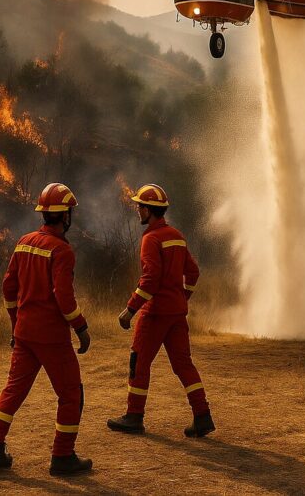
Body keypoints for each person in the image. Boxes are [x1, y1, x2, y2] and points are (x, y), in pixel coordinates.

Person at [0, 182, 93, 476]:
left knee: (13, 390)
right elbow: (63, 297)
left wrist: (15, 322)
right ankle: (62, 456)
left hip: (25, 332)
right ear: (65, 216)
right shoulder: (62, 250)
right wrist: (80, 326)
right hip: (52, 336)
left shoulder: (24, 241)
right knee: (71, 394)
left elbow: (8, 287)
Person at [107, 183, 214, 438]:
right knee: (183, 365)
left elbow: (150, 279)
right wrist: (182, 296)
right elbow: (194, 272)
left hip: (155, 314)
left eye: (140, 207)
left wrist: (130, 310)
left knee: (139, 362)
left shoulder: (151, 239)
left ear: (149, 210)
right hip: (177, 314)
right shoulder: (176, 235)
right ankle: (202, 415)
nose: (137, 210)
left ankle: (134, 416)